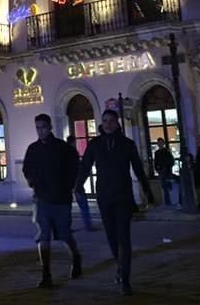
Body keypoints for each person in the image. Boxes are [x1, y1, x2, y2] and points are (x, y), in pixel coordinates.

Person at [77, 109, 154, 296]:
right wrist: (78, 185)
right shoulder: (95, 144)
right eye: (104, 121)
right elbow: (86, 165)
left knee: (124, 238)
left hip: (123, 197)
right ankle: (120, 265)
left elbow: (138, 168)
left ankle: (125, 279)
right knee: (112, 238)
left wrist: (147, 191)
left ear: (117, 122)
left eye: (111, 120)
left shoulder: (127, 144)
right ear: (101, 123)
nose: (108, 124)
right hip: (104, 196)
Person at [22, 113, 83, 289]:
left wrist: (68, 186)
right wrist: (32, 181)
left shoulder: (63, 148)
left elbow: (74, 168)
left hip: (61, 199)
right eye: (37, 127)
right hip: (41, 199)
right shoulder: (33, 149)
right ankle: (46, 273)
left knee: (64, 235)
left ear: (49, 127)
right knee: (43, 236)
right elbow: (27, 169)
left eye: (43, 127)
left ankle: (76, 256)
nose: (40, 131)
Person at [66, 134, 95, 231]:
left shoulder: (64, 153)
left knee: (68, 207)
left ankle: (67, 227)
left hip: (68, 182)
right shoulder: (73, 153)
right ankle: (88, 225)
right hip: (76, 182)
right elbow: (77, 168)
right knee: (83, 205)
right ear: (73, 142)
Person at [154, 138, 176, 207]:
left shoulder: (166, 151)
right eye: (159, 143)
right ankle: (168, 202)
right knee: (164, 186)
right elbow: (155, 162)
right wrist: (157, 169)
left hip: (166, 170)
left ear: (163, 143)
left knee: (167, 186)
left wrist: (167, 167)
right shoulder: (157, 152)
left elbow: (171, 161)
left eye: (161, 143)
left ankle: (169, 202)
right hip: (162, 171)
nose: (160, 144)